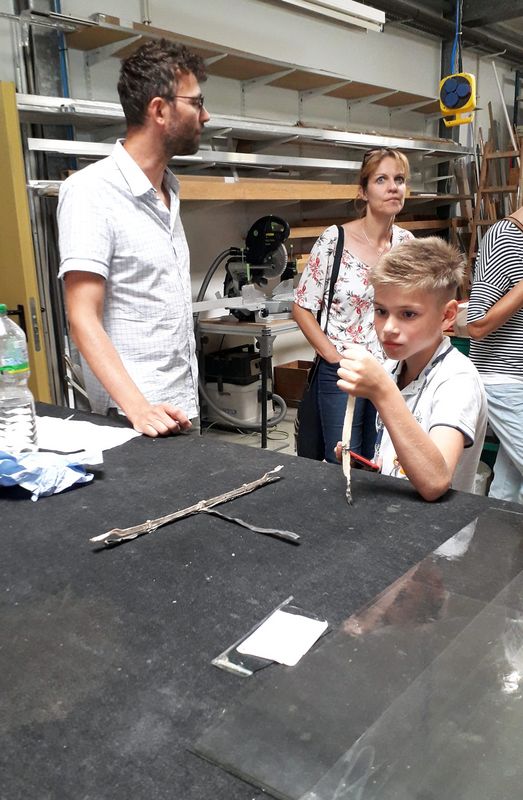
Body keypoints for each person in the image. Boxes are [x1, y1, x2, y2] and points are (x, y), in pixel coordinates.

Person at [58, 38, 210, 437]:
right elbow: (82, 317)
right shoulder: (91, 192)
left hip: (180, 406)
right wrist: (139, 409)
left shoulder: (168, 192)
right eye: (196, 103)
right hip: (134, 418)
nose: (205, 115)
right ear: (159, 110)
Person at [336, 236, 488, 502]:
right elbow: (400, 460)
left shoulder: (457, 380)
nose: (389, 328)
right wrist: (369, 469)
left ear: (447, 315)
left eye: (408, 314)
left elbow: (435, 482)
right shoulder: (394, 366)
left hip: (437, 527)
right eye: (381, 311)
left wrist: (382, 392)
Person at [292, 148, 413, 463]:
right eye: (381, 180)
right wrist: (333, 357)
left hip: (390, 372)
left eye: (399, 179)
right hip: (343, 372)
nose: (393, 187)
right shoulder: (335, 240)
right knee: (343, 459)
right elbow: (302, 307)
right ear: (363, 191)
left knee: (381, 459)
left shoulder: (408, 246)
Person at [466, 211, 523, 504]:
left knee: (509, 489)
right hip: (504, 379)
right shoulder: (505, 237)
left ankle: (495, 532)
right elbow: (476, 324)